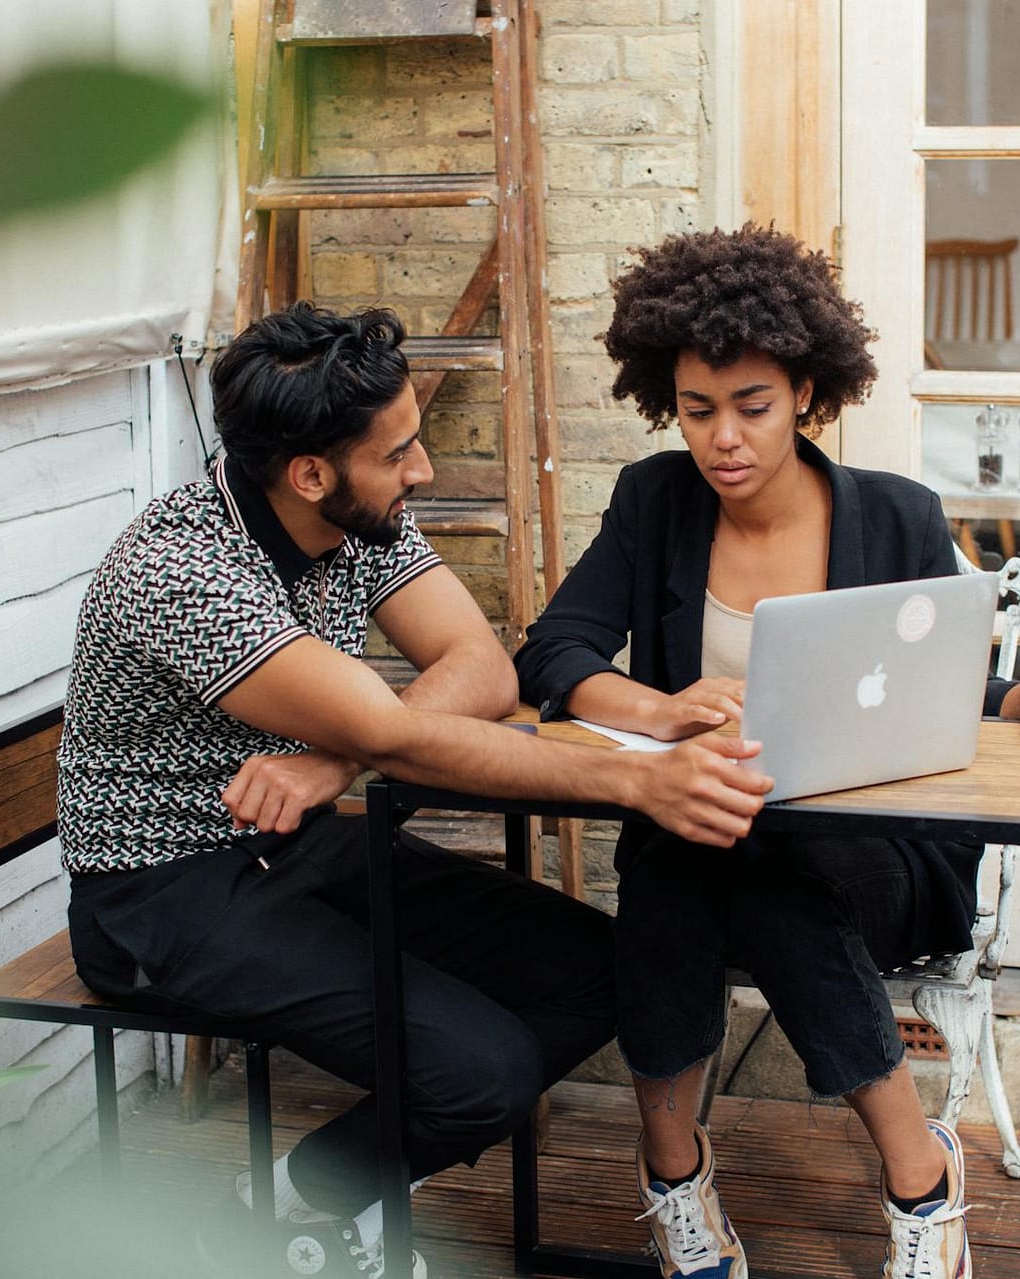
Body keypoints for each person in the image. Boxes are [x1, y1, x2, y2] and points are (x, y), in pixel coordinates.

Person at [57, 302, 774, 1279]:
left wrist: (339, 757)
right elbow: (401, 731)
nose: (423, 469)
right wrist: (640, 777)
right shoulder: (182, 572)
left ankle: (306, 1198)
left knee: (602, 970)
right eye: (398, 452)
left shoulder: (357, 509)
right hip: (161, 895)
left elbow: (482, 664)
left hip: (299, 839)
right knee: (482, 1073)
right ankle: (286, 1209)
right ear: (309, 472)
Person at [514, 226, 1020, 1279]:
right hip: (711, 830)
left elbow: (946, 696)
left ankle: (907, 1175)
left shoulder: (896, 516)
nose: (722, 440)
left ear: (806, 389)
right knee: (683, 856)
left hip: (876, 857)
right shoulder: (654, 502)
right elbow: (554, 651)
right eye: (697, 409)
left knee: (756, 868)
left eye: (750, 406)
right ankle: (685, 1176)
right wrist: (663, 712)